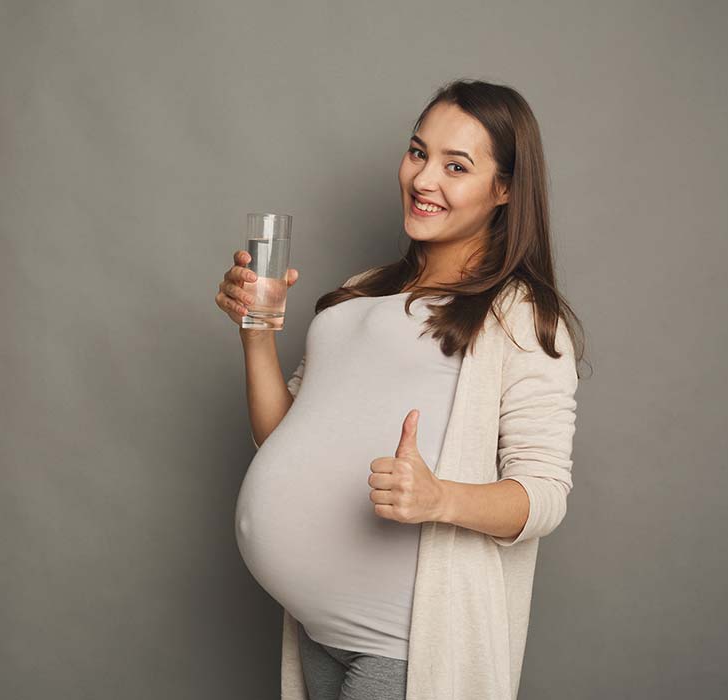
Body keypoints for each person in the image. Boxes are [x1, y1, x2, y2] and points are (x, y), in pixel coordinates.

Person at [216, 78, 586, 700]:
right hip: (320, 628)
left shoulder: (518, 315)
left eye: (456, 166)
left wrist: (440, 498)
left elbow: (544, 495)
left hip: (405, 644)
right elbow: (281, 439)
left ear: (503, 190)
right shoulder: (361, 290)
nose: (423, 179)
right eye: (418, 152)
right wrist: (257, 333)